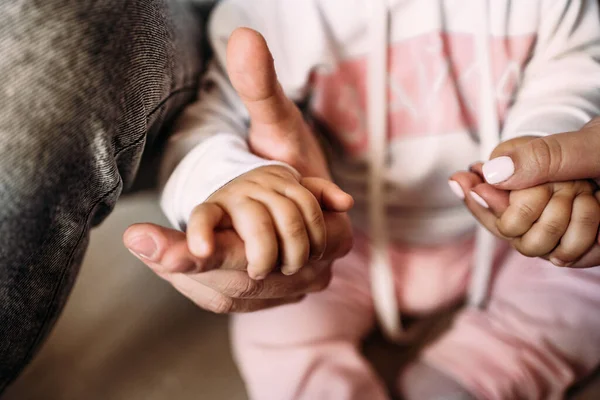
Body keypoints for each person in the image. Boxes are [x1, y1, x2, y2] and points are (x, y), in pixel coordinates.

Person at [160, 1, 600, 399]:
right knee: (273, 311)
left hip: (506, 233)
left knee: (586, 270)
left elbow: (573, 68)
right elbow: (211, 121)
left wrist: (547, 148)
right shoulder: (273, 11)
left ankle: (475, 375)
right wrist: (235, 181)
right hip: (346, 236)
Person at [0, 0, 353, 392]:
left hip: (403, 236)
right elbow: (222, 110)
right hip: (354, 263)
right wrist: (230, 179)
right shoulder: (286, 14)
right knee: (285, 349)